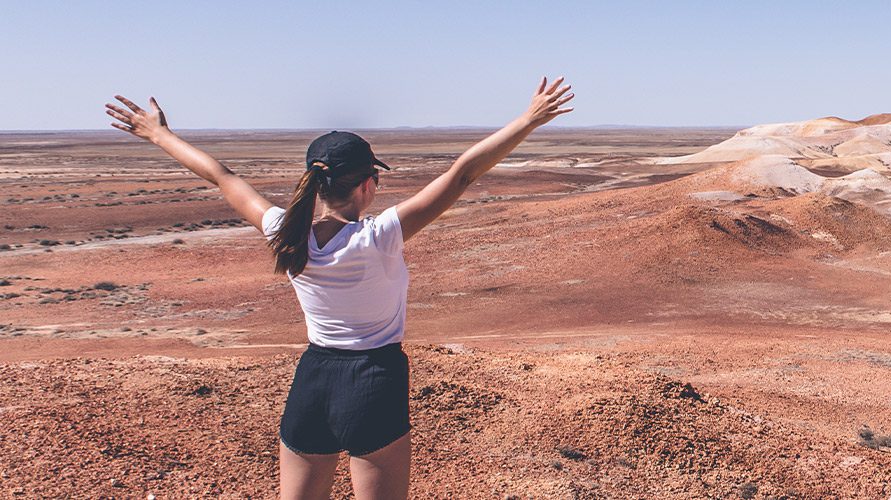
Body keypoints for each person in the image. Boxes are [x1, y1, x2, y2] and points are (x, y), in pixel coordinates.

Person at [104, 77, 575, 499]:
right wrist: (529, 119)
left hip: (313, 379)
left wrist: (158, 133)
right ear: (369, 185)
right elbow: (463, 173)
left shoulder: (284, 232)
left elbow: (221, 176)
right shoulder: (379, 236)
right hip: (375, 377)